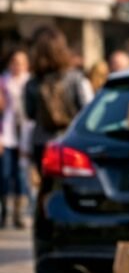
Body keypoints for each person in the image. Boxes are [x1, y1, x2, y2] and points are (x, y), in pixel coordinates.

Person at [23, 27, 94, 172]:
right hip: (70, 143)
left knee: (46, 189)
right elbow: (88, 111)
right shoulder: (76, 78)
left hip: (41, 143)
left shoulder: (32, 82)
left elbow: (29, 114)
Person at [0, 50, 29, 228]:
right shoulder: (4, 81)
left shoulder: (30, 82)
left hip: (25, 135)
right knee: (4, 174)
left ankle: (19, 214)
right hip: (7, 135)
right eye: (14, 61)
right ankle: (5, 212)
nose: (17, 66)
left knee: (21, 176)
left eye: (20, 62)